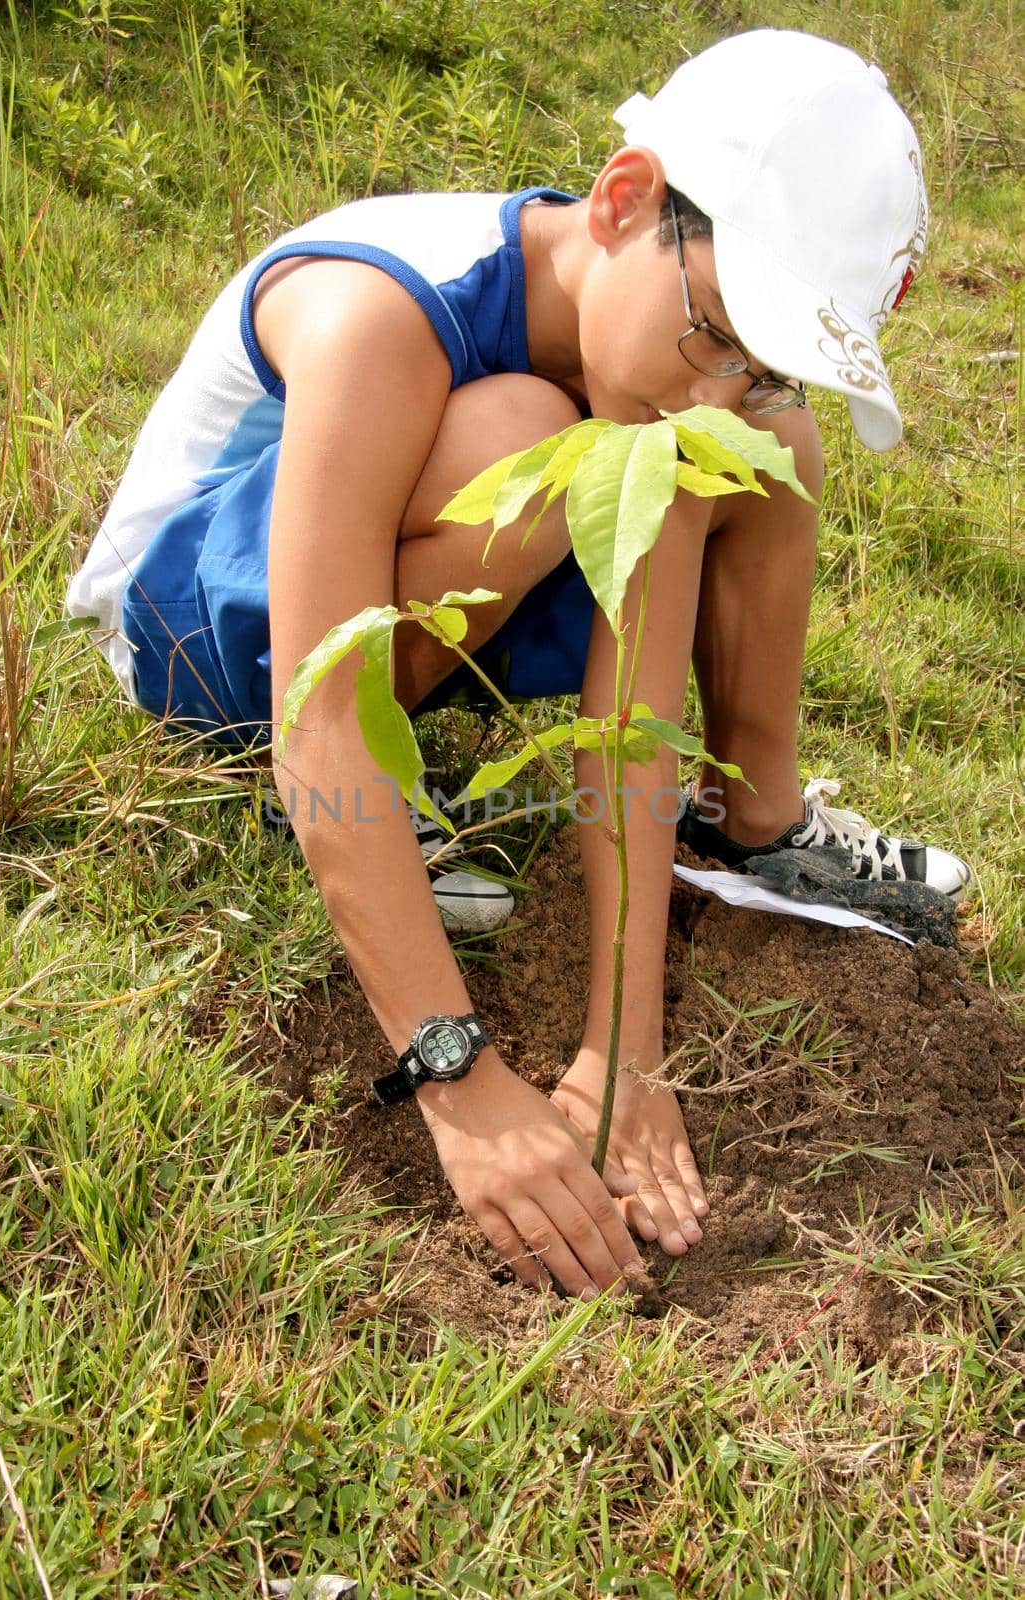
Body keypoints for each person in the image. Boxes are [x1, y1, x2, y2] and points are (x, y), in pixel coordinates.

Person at [67, 28, 971, 1301]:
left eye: (764, 350)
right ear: (623, 199)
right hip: (205, 638)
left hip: (420, 589)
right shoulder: (384, 305)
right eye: (716, 328)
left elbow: (631, 714)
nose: (726, 374)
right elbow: (319, 715)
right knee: (535, 426)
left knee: (764, 447)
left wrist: (626, 1047)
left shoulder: (670, 392)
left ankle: (759, 820)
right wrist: (460, 1078)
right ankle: (363, 833)